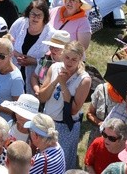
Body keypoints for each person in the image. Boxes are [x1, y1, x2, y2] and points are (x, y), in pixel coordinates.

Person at [35, 41, 91, 169]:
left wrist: (64, 84)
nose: (69, 62)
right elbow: (42, 97)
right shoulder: (54, 68)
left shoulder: (84, 79)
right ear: (62, 55)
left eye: (74, 59)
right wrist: (56, 81)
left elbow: (73, 110)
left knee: (59, 164)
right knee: (42, 162)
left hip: (65, 126)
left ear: (80, 59)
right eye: (67, 57)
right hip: (47, 122)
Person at [9, 0, 51, 95]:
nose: (35, 18)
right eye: (33, 14)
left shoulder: (51, 34)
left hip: (36, 79)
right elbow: (7, 41)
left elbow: (51, 60)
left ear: (45, 16)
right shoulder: (20, 23)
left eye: (39, 15)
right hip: (14, 72)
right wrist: (16, 54)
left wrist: (34, 61)